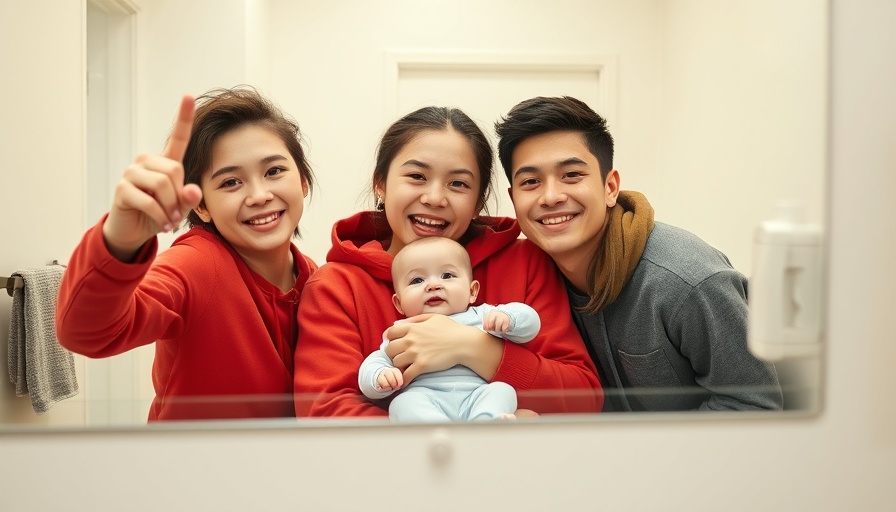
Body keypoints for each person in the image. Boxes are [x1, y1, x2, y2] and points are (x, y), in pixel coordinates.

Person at [294, 106, 602, 418]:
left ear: (478, 199)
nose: (435, 198)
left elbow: (582, 398)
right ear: (381, 185)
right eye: (416, 176)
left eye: (458, 184)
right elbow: (326, 413)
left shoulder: (524, 262)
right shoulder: (337, 286)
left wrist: (471, 347)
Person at [494, 96, 784, 412]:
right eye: (531, 182)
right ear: (514, 198)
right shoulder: (535, 278)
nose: (550, 197)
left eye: (572, 175)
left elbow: (755, 405)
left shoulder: (687, 281)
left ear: (610, 187)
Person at [55, 86, 317, 421]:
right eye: (230, 183)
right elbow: (86, 332)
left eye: (274, 171)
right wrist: (118, 242)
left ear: (304, 181)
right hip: (186, 471)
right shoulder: (197, 266)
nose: (259, 195)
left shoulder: (315, 277)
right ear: (203, 206)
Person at [359, 236, 540, 422]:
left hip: (478, 394)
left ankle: (486, 422)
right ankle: (438, 430)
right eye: (417, 280)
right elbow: (374, 363)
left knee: (502, 390)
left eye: (447, 276)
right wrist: (379, 376)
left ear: (472, 292)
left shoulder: (484, 315)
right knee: (402, 403)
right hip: (426, 397)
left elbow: (532, 325)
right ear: (399, 303)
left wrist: (510, 318)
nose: (433, 285)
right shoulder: (402, 331)